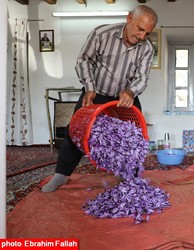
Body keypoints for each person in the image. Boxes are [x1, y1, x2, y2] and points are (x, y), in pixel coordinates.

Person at [42, 5, 158, 193]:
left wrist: (131, 91)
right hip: (96, 92)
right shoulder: (102, 34)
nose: (142, 36)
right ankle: (61, 175)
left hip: (124, 97)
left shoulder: (146, 48)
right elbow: (84, 60)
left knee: (133, 135)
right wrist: (89, 87)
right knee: (76, 130)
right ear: (129, 19)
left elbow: (142, 77)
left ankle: (128, 175)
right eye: (140, 29)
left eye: (147, 33)